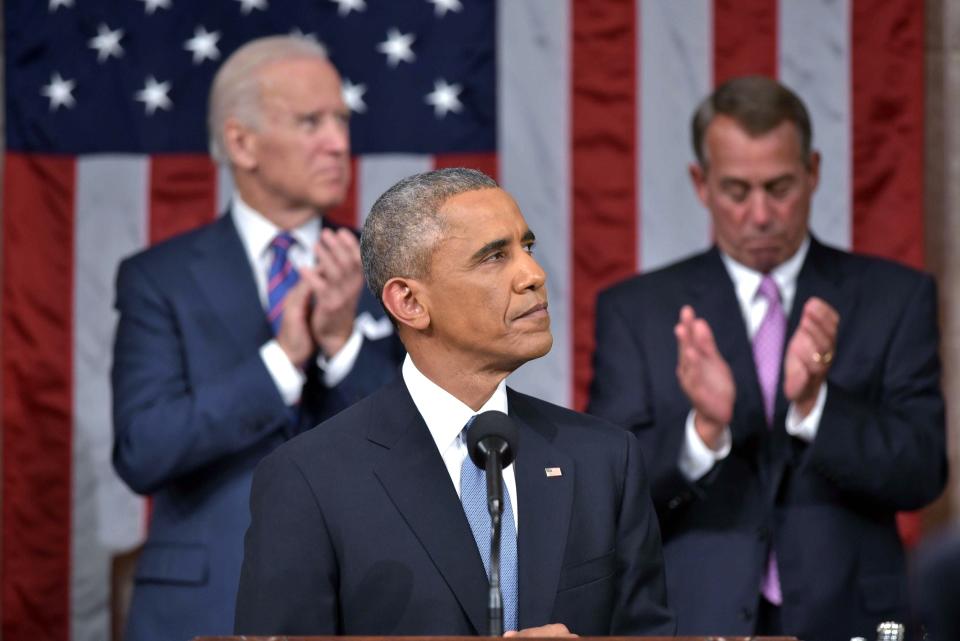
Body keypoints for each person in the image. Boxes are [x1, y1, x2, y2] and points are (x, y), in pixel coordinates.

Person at [233, 168, 675, 636]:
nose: (533, 274)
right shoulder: (310, 479)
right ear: (409, 302)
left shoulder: (603, 459)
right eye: (494, 257)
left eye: (526, 247)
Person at [588, 76, 947, 641]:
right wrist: (703, 431)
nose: (760, 215)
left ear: (813, 172)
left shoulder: (893, 298)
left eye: (779, 187)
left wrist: (817, 405)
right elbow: (608, 492)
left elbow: (923, 474)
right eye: (737, 191)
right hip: (693, 618)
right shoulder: (638, 311)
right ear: (700, 184)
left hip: (849, 618)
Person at [111, 36, 402, 641]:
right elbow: (144, 449)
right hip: (206, 606)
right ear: (242, 142)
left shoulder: (388, 271)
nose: (339, 143)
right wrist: (284, 360)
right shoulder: (158, 278)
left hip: (365, 604)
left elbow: (422, 447)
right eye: (311, 122)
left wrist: (345, 342)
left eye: (342, 121)